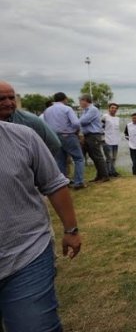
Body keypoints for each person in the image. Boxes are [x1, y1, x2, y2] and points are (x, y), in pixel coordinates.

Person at [0, 121, 81, 331]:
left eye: (10, 97)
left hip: (25, 253)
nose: (7, 102)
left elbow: (54, 183)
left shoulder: (23, 135)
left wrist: (71, 229)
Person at [0, 80, 61, 155]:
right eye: (1, 99)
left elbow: (54, 144)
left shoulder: (30, 121)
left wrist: (35, 162)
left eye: (11, 98)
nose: (8, 103)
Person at [43, 92, 87, 189]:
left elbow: (45, 124)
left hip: (53, 136)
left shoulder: (47, 110)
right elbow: (76, 123)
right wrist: (75, 131)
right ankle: (79, 182)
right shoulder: (67, 108)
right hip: (67, 135)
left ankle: (63, 183)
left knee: (60, 160)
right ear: (65, 99)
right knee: (78, 158)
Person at [79, 94, 110, 183]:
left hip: (94, 135)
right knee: (93, 156)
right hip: (88, 135)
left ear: (85, 100)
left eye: (81, 101)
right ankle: (99, 176)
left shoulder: (93, 109)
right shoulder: (85, 110)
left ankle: (105, 176)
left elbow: (83, 121)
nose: (80, 103)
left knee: (97, 156)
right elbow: (81, 122)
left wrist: (76, 122)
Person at [102, 103, 121, 177]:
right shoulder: (105, 117)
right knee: (108, 158)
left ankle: (113, 171)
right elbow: (100, 127)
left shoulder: (117, 118)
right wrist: (102, 138)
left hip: (115, 141)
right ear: (109, 108)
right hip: (107, 140)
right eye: (112, 108)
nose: (114, 109)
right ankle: (108, 172)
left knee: (114, 158)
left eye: (115, 108)